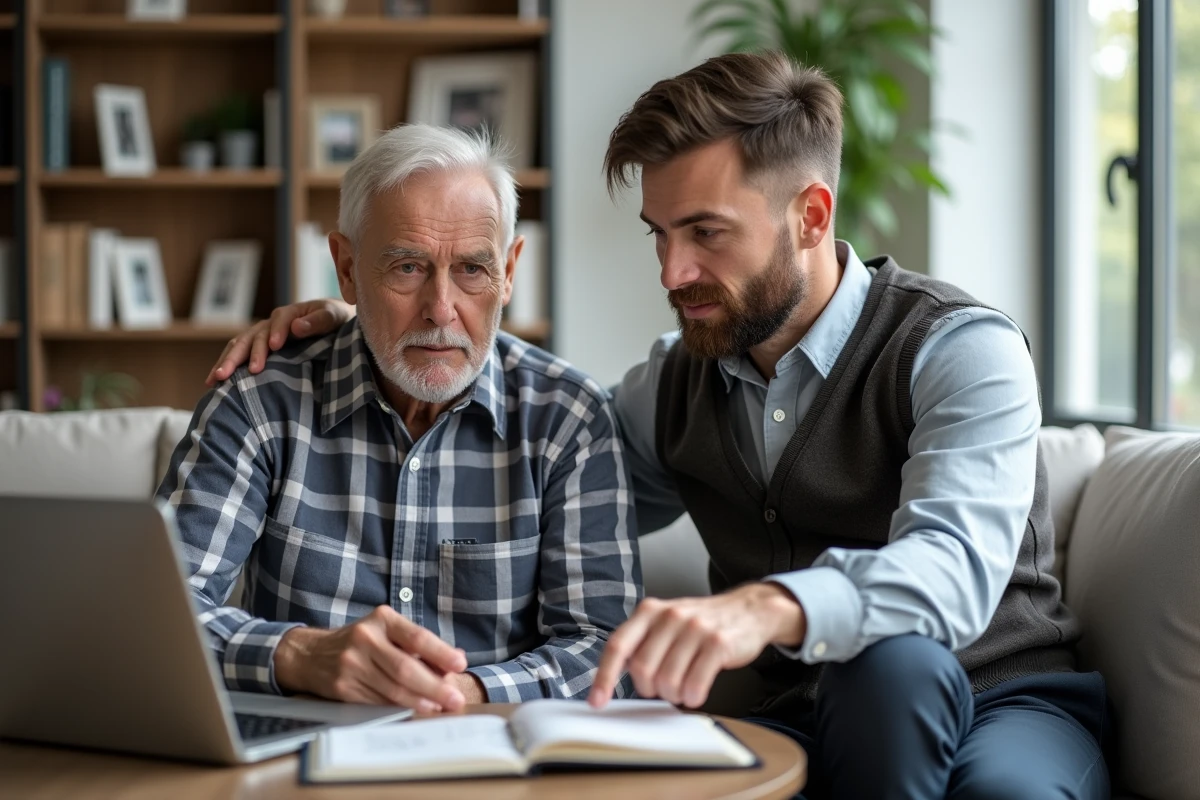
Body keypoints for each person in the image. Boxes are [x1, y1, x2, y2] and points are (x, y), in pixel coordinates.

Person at [207, 54, 1109, 799]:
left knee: (923, 700)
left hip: (1001, 694)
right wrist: (368, 313)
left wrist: (768, 606)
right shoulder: (667, 387)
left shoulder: (961, 349)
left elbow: (952, 574)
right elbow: (515, 462)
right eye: (659, 234)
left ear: (811, 215)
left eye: (706, 233)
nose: (674, 272)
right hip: (799, 709)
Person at [163, 123, 640, 716]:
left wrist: (460, 694)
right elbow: (162, 611)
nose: (442, 310)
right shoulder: (260, 402)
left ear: (510, 271)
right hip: (301, 758)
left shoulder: (567, 419)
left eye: (472, 269)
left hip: (488, 759)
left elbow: (604, 652)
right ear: (346, 268)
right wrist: (300, 655)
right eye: (407, 268)